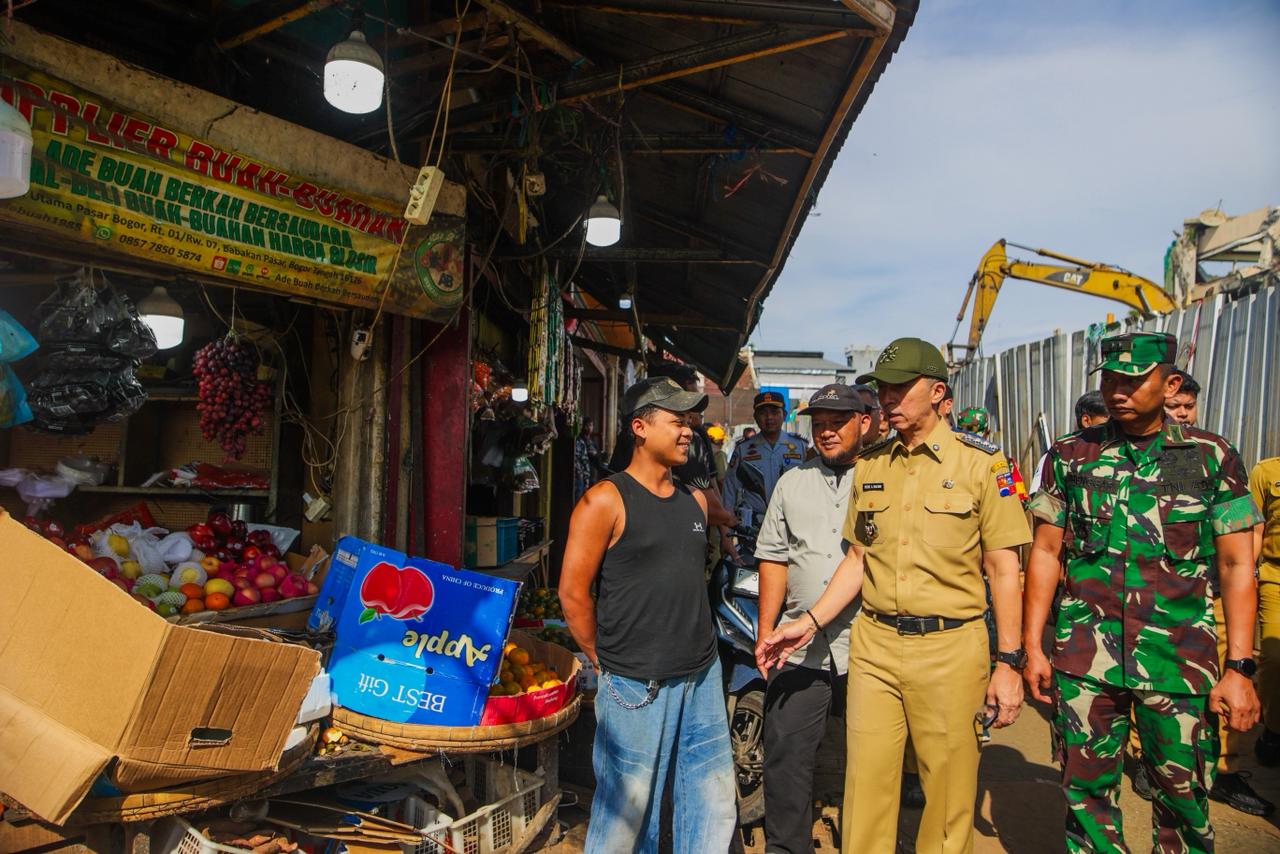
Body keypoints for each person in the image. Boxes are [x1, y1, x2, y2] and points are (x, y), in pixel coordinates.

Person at [758, 338, 1032, 853]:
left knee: (947, 797)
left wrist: (1010, 661)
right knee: (865, 791)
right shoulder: (872, 465)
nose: (888, 398)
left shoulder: (986, 465)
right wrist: (807, 623)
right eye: (883, 388)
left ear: (938, 391)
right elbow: (857, 561)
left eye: (901, 388)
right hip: (875, 647)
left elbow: (1005, 568)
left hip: (951, 648)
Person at [1022, 331, 1262, 852]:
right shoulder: (1072, 455)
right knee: (1084, 795)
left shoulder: (1210, 456)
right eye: (1110, 380)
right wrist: (1033, 646)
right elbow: (1044, 552)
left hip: (1178, 661)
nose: (1117, 391)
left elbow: (1238, 563)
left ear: (1170, 384)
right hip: (1085, 658)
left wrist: (1240, 668)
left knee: (1184, 801)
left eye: (1131, 381)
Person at [560, 376, 736, 853]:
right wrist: (603, 658)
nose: (688, 431)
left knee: (712, 802)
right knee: (628, 813)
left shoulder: (694, 501)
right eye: (677, 421)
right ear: (640, 427)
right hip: (636, 682)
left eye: (690, 422)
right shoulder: (605, 500)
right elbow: (573, 594)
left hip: (700, 675)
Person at [754, 384, 873, 854]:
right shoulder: (792, 482)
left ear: (864, 422)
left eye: (837, 422)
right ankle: (787, 846)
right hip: (799, 646)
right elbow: (773, 558)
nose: (826, 432)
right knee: (786, 756)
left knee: (872, 759)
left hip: (868, 644)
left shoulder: (884, 478)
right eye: (819, 424)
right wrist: (766, 630)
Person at [722, 391, 807, 536]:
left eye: (774, 412)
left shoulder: (800, 446)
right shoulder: (743, 449)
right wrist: (726, 534)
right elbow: (729, 491)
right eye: (763, 413)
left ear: (784, 415)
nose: (769, 417)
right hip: (753, 528)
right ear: (755, 417)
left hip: (791, 526)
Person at [1252, 455, 1280, 768]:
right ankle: (1274, 727)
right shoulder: (1267, 471)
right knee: (1273, 658)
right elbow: (1255, 529)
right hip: (1275, 576)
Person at [1028, 391, 1108, 495]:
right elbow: (1041, 499)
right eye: (1109, 420)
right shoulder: (1058, 456)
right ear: (1086, 421)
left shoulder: (1122, 452)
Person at [574, 417, 603, 503]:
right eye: (588, 425)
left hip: (589, 474)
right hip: (581, 475)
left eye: (591, 425)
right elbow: (592, 454)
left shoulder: (590, 441)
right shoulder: (580, 440)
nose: (589, 428)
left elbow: (596, 454)